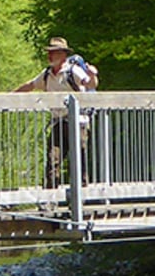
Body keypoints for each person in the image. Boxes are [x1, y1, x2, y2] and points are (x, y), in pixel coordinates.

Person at [17, 37, 99, 186]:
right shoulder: (47, 74)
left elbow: (90, 84)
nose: (49, 56)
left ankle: (81, 195)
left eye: (53, 53)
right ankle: (51, 198)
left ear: (63, 55)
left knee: (78, 158)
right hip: (58, 122)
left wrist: (93, 74)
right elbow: (31, 85)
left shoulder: (73, 71)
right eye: (49, 52)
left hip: (78, 122)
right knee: (52, 158)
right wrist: (8, 96)